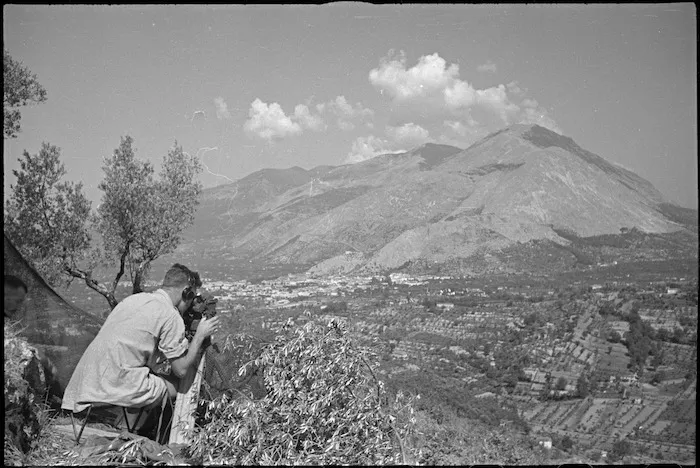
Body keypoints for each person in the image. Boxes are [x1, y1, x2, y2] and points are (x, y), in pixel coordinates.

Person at [61, 263, 221, 435]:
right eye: (192, 297)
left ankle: (127, 427)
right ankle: (139, 432)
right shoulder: (170, 315)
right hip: (114, 383)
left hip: (86, 382)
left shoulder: (133, 300)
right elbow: (181, 370)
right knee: (177, 385)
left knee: (147, 376)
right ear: (186, 292)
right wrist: (199, 337)